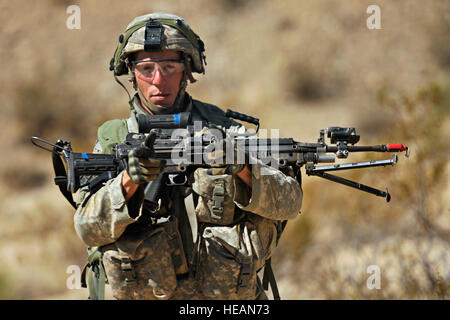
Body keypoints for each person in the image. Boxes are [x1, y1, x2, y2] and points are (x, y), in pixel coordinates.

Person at [74, 12, 302, 300]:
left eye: (169, 66)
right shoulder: (115, 138)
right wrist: (129, 182)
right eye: (146, 68)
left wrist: (242, 166)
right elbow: (88, 230)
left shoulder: (224, 129)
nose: (159, 80)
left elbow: (290, 204)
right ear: (131, 74)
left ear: (187, 70)